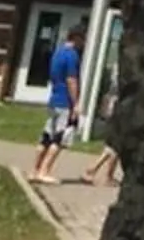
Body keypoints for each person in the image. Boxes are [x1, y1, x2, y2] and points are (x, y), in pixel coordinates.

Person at [32, 25, 84, 181]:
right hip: (64, 101)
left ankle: (34, 170)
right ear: (76, 38)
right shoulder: (72, 56)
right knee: (59, 137)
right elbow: (71, 80)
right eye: (83, 40)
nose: (84, 44)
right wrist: (76, 103)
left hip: (54, 99)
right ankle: (45, 171)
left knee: (46, 135)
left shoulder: (58, 53)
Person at [82, 65, 121, 187]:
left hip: (112, 109)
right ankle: (106, 176)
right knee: (116, 144)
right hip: (118, 110)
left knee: (112, 144)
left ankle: (94, 168)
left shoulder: (117, 72)